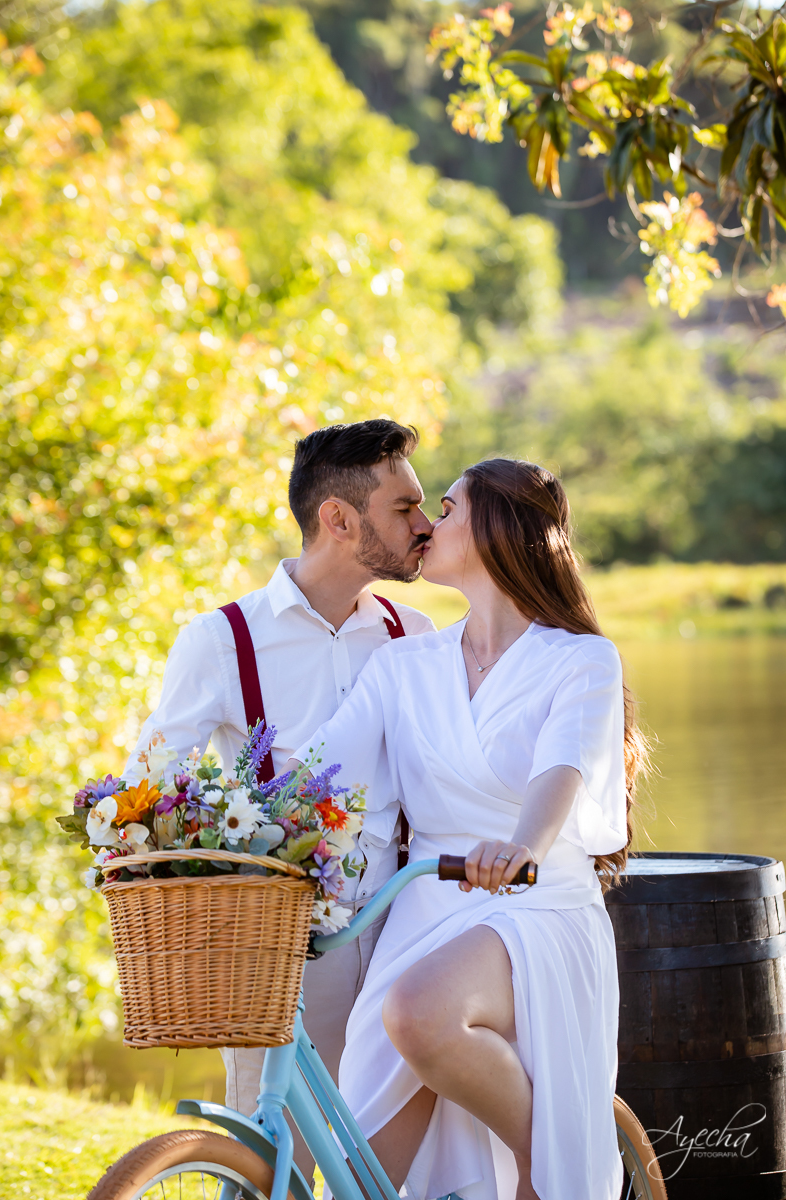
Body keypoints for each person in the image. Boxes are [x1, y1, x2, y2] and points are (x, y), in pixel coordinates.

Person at [291, 458, 648, 1200]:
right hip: (426, 906)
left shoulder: (580, 659)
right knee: (363, 1180)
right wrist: (208, 823)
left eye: (448, 508)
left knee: (420, 1012)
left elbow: (563, 769)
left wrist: (524, 847)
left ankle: (546, 1166)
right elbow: (316, 772)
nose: (427, 525)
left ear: (495, 530)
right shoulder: (403, 665)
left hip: (535, 901)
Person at [123, 418, 435, 1177]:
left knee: (392, 1169)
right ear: (339, 519)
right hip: (281, 940)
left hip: (408, 927)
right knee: (271, 1165)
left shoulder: (416, 633)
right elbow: (148, 789)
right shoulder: (221, 640)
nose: (425, 525)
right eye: (405, 508)